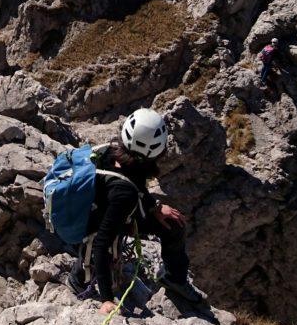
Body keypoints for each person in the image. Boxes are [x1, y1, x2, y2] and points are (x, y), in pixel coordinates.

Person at [68, 108, 203, 314]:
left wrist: (154, 207)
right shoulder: (125, 193)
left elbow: (133, 182)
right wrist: (106, 299)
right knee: (173, 227)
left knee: (169, 220)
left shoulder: (112, 152)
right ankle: (79, 279)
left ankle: (174, 279)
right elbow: (102, 243)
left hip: (96, 211)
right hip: (101, 222)